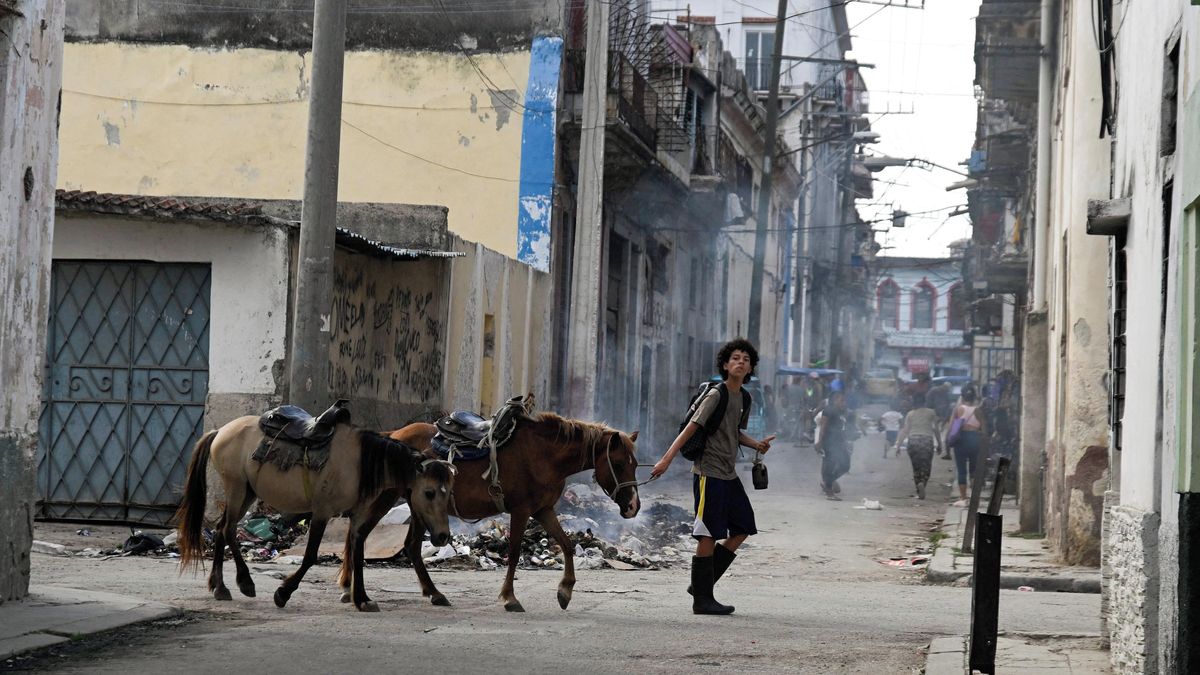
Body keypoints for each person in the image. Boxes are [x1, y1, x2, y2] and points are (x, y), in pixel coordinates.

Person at [650, 338, 776, 616]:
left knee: (743, 526)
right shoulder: (716, 394)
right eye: (735, 358)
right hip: (708, 472)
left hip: (728, 473)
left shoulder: (744, 397)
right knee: (708, 533)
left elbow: (734, 431)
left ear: (751, 367)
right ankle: (703, 599)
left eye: (746, 359)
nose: (741, 362)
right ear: (725, 364)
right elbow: (691, 428)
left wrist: (756, 445)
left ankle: (701, 586)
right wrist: (666, 459)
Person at [895, 392, 940, 499]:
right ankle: (923, 482)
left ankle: (918, 486)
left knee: (916, 467)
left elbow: (905, 430)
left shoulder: (910, 414)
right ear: (925, 401)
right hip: (926, 441)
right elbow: (936, 429)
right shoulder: (931, 413)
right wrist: (940, 444)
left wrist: (898, 445)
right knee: (926, 466)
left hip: (913, 441)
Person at [947, 384, 986, 503]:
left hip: (960, 440)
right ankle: (974, 498)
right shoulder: (978, 410)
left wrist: (947, 445)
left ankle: (963, 497)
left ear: (962, 397)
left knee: (961, 469)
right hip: (974, 439)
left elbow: (951, 428)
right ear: (974, 397)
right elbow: (985, 430)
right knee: (974, 470)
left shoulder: (957, 410)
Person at [816, 390, 852, 500]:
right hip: (829, 442)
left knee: (845, 465)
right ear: (835, 399)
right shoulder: (828, 410)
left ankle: (828, 483)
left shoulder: (840, 411)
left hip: (839, 442)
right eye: (841, 400)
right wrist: (820, 442)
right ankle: (829, 492)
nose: (844, 402)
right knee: (830, 465)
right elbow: (823, 426)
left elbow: (842, 428)